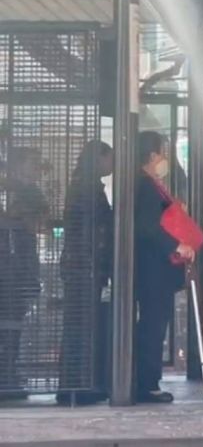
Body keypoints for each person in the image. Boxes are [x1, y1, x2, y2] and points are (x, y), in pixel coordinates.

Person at [135, 131, 195, 403]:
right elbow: (149, 227)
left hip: (157, 269)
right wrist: (176, 245)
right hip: (153, 268)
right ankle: (147, 383)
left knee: (155, 323)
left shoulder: (152, 184)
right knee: (153, 324)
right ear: (150, 156)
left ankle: (147, 380)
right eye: (162, 153)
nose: (165, 159)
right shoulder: (144, 186)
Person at [56, 141, 114, 406]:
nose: (112, 164)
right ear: (97, 159)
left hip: (80, 266)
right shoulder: (87, 190)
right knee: (82, 326)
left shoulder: (83, 186)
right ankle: (78, 385)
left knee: (79, 325)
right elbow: (94, 229)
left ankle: (77, 384)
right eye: (108, 158)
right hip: (84, 266)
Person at [0, 147, 49, 399]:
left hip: (20, 266)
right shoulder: (14, 191)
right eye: (33, 163)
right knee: (8, 322)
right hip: (9, 266)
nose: (37, 168)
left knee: (13, 322)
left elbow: (42, 226)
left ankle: (8, 372)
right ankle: (6, 374)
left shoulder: (31, 193)